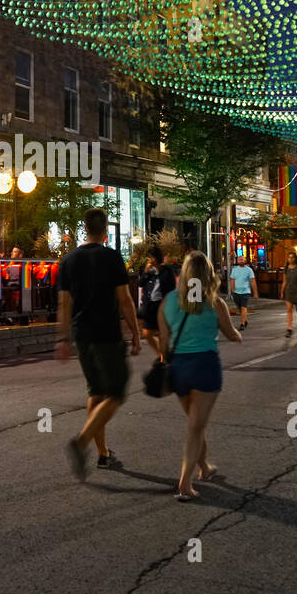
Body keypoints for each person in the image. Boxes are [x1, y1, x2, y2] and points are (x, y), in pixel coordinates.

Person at [56, 208, 141, 479]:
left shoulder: (68, 261)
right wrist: (136, 331)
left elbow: (64, 304)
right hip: (106, 332)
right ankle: (82, 442)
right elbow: (125, 298)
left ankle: (103, 453)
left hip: (82, 335)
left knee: (95, 391)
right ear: (105, 230)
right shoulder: (112, 257)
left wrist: (63, 338)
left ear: (85, 228)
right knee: (116, 392)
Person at [158, 251, 242, 501]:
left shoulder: (169, 302)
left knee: (196, 422)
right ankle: (185, 483)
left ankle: (204, 467)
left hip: (179, 368)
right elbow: (230, 333)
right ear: (208, 275)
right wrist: (238, 336)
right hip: (205, 365)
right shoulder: (215, 303)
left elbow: (163, 344)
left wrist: (167, 361)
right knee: (196, 425)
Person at [138, 245, 178, 360]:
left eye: (151, 257)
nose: (149, 260)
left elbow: (171, 287)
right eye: (148, 258)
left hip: (162, 306)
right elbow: (141, 283)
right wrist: (146, 272)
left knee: (162, 334)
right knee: (146, 332)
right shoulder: (149, 271)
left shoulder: (166, 271)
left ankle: (163, 359)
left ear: (156, 258)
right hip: (150, 306)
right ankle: (160, 354)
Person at [228, 256, 257, 330]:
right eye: (239, 260)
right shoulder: (234, 270)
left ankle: (242, 324)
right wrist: (232, 289)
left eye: (242, 259)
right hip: (236, 292)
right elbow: (232, 279)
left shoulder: (249, 270)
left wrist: (255, 292)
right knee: (240, 308)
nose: (241, 261)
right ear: (237, 261)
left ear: (245, 260)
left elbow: (252, 281)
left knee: (243, 307)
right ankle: (245, 320)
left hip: (246, 292)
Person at [282, 250, 297, 336]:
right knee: (289, 310)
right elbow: (284, 281)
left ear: (295, 258)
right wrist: (282, 291)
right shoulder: (286, 268)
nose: (290, 259)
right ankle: (289, 329)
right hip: (289, 291)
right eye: (289, 257)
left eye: (292, 257)